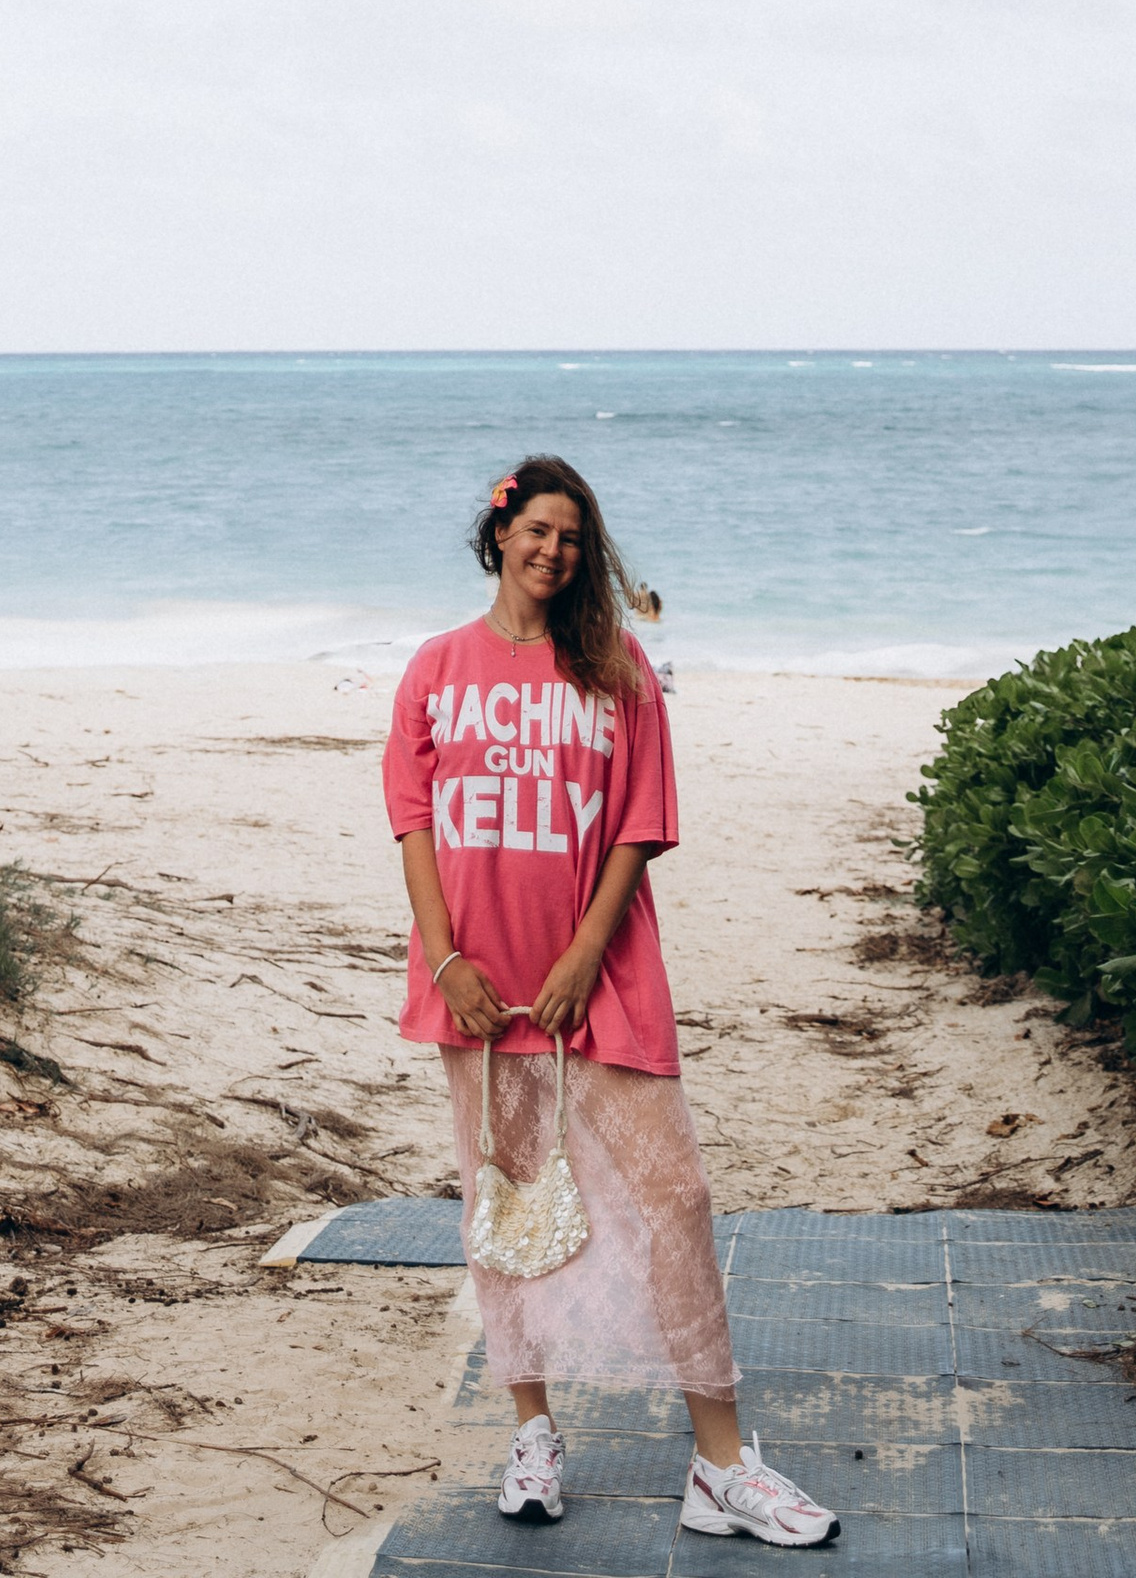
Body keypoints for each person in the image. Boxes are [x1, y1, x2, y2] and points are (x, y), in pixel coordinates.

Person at [383, 456, 837, 1545]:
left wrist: (587, 950)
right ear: (498, 534)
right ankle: (532, 1435)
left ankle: (721, 1467)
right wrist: (447, 963)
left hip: (602, 975)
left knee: (673, 1197)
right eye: (537, 530)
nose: (554, 551)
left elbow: (638, 821)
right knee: (506, 1209)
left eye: (572, 538)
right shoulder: (435, 668)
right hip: (481, 991)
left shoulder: (612, 665)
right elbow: (414, 827)